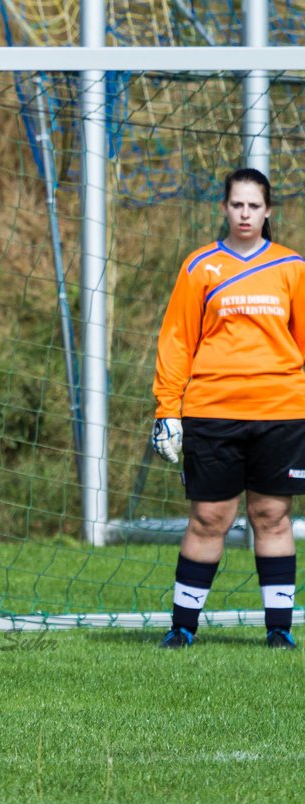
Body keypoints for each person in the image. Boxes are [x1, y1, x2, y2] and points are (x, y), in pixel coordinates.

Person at [151, 167, 305, 650]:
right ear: (224, 208)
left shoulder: (292, 267)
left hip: (281, 412)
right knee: (209, 518)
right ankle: (182, 628)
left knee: (272, 517)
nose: (245, 213)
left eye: (253, 206)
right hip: (212, 411)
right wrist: (167, 410)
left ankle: (279, 630)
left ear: (268, 212)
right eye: (236, 205)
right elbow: (177, 341)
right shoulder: (201, 267)